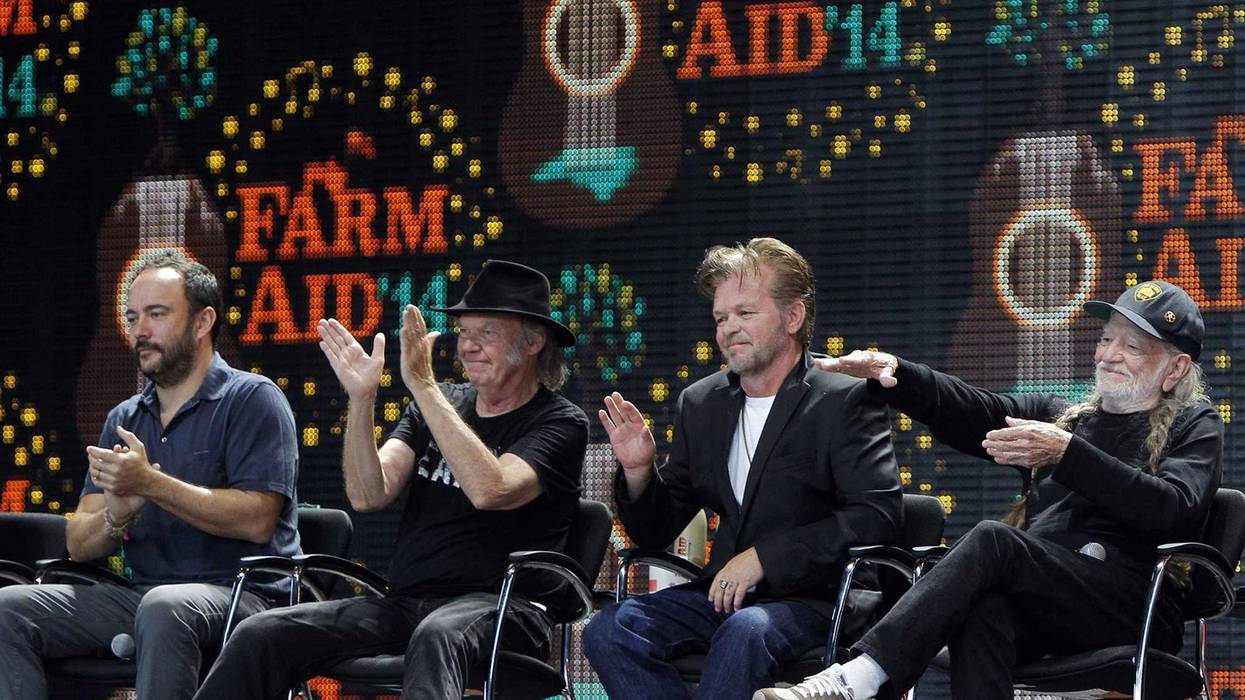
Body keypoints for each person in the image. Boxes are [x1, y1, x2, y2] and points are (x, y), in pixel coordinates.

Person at [755, 279, 1223, 700]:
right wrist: (896, 374)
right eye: (1105, 339)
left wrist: (1068, 454)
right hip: (1052, 603)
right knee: (984, 609)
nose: (1107, 354)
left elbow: (1175, 509)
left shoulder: (1195, 423)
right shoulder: (1067, 416)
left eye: (1132, 346)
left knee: (994, 540)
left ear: (1176, 367)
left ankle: (856, 678)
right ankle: (862, 676)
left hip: (1136, 604)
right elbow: (974, 410)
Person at [194, 259, 589, 699]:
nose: (468, 347)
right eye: (463, 333)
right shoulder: (441, 404)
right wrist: (361, 399)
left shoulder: (559, 422)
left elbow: (491, 489)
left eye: (487, 334)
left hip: (505, 609)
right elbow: (368, 492)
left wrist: (422, 385)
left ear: (533, 341)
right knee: (263, 632)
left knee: (438, 634)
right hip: (406, 603)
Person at [582, 238, 902, 698]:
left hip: (820, 597)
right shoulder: (702, 402)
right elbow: (657, 530)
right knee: (611, 629)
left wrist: (764, 559)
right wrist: (638, 470)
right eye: (720, 318)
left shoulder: (843, 399)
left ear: (793, 318)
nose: (728, 329)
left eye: (745, 314)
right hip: (725, 596)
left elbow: (877, 516)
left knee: (746, 631)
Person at [0, 249, 301, 700]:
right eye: (133, 316)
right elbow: (79, 544)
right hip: (144, 597)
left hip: (245, 599)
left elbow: (257, 519)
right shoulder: (125, 418)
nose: (140, 331)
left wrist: (150, 484)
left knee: (165, 608)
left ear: (202, 323)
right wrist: (116, 518)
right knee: (7, 609)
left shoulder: (253, 400)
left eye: (156, 315)